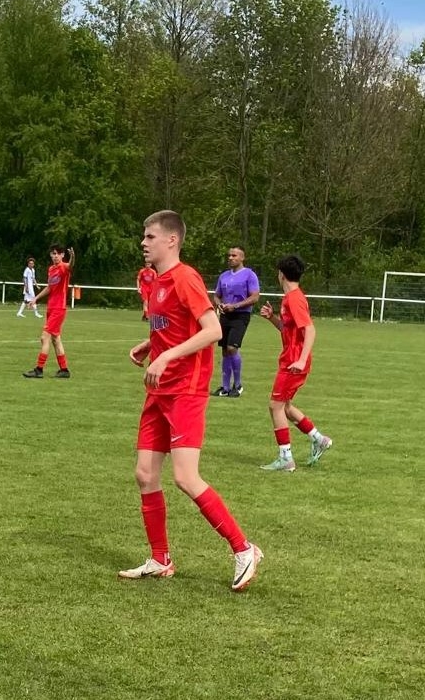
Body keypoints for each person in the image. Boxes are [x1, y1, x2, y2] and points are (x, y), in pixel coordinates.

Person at [119, 210, 262, 592]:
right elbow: (176, 328)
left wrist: (166, 357)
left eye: (150, 236)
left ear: (171, 240)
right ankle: (160, 559)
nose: (143, 243)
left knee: (185, 477)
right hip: (159, 390)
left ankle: (244, 549)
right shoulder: (156, 281)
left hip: (185, 390)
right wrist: (150, 345)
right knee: (145, 474)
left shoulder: (185, 278)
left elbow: (212, 330)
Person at [258, 254, 332, 472]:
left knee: (275, 406)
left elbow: (310, 329)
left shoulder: (294, 299)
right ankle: (319, 439)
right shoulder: (291, 298)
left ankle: (286, 458)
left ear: (281, 274)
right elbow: (288, 329)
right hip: (292, 359)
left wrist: (300, 359)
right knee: (286, 407)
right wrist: (272, 318)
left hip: (293, 362)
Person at [210, 246, 260, 397]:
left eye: (234, 255)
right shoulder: (224, 276)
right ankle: (225, 387)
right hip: (226, 315)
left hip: (241, 315)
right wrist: (219, 304)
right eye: (229, 255)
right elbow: (217, 295)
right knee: (225, 349)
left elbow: (255, 297)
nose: (230, 258)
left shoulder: (249, 275)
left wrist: (235, 306)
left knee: (232, 348)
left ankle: (237, 385)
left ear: (242, 258)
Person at [22, 244, 75, 379]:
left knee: (44, 337)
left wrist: (72, 257)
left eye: (57, 253)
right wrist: (35, 298)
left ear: (62, 255)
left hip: (59, 308)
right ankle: (64, 370)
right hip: (51, 308)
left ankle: (39, 369)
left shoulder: (63, 267)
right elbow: (50, 287)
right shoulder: (51, 269)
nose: (55, 256)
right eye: (53, 254)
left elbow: (70, 266)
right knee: (56, 339)